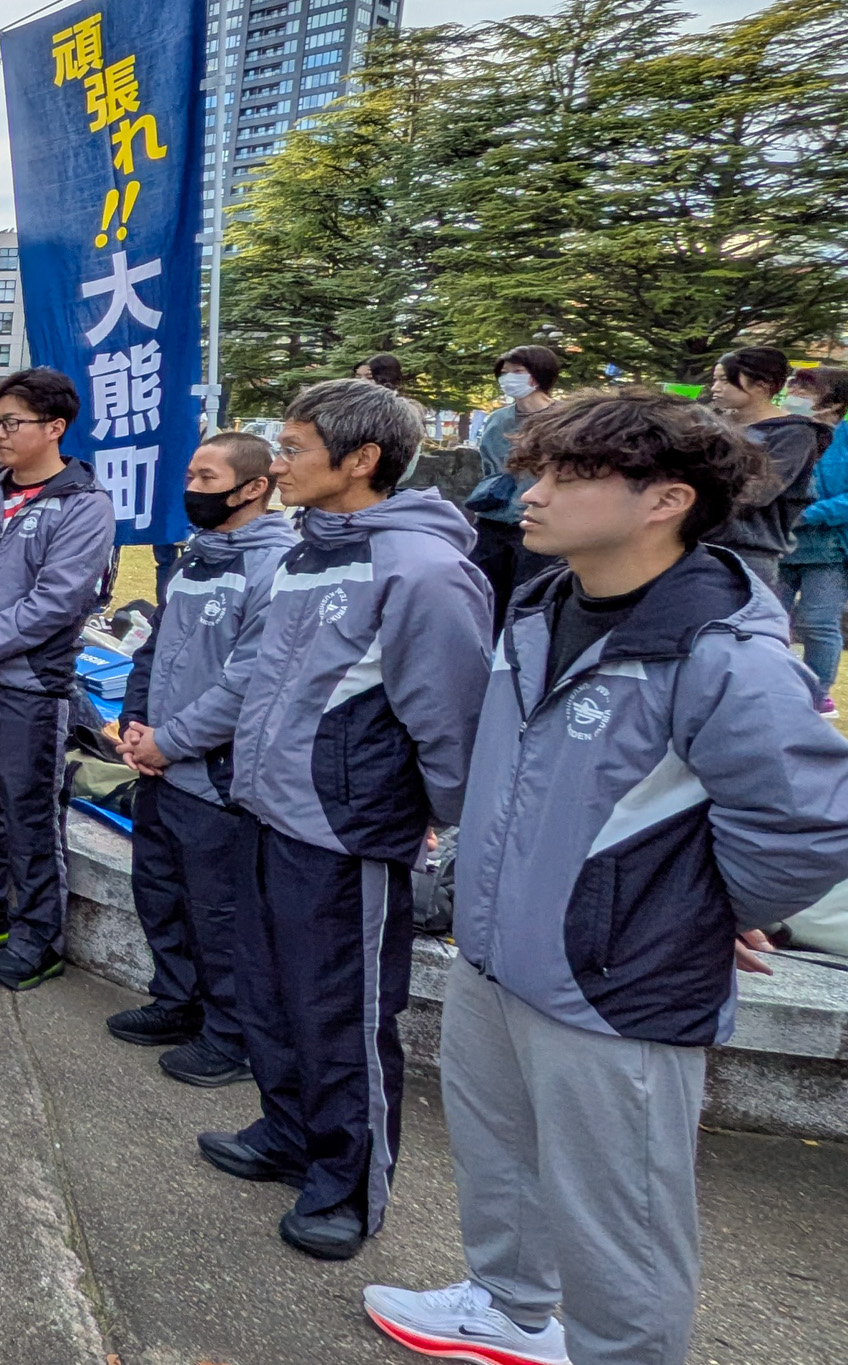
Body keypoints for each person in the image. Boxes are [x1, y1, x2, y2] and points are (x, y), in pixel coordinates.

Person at [362, 388, 848, 1365]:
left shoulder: (722, 652)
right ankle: (508, 1310)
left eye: (566, 476)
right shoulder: (543, 605)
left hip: (616, 986)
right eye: (536, 471)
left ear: (665, 501)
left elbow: (806, 823)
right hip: (497, 950)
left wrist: (692, 906)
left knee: (619, 1221)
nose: (530, 494)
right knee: (501, 1155)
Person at [199, 378, 492, 1262]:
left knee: (342, 1015)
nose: (278, 463)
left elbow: (450, 719)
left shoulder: (422, 570)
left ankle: (347, 1184)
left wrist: (439, 822)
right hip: (267, 809)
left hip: (343, 830)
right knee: (270, 993)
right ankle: (287, 1131)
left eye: (293, 449)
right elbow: (259, 677)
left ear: (361, 459)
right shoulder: (306, 553)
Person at [110, 432, 296, 1087]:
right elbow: (152, 649)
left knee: (220, 915)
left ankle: (231, 1036)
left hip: (215, 779)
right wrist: (136, 725)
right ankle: (176, 1002)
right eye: (190, 474)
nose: (191, 487)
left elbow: (247, 684)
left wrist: (170, 741)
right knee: (160, 894)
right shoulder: (194, 559)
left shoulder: (275, 568)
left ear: (253, 488)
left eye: (206, 477)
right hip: (160, 765)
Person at [0, 368, 117, 989]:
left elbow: (57, 602)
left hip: (27, 686)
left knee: (29, 813)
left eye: (12, 422)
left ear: (55, 428)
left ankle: (38, 936)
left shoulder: (83, 505)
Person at [709, 346, 827, 587]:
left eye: (725, 380)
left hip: (747, 553)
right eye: (714, 380)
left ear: (762, 385)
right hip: (694, 544)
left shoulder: (794, 432)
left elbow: (757, 492)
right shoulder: (710, 425)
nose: (715, 388)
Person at [469, 345, 562, 635]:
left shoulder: (565, 418)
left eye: (517, 372)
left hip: (540, 520)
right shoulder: (499, 419)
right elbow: (489, 466)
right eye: (504, 372)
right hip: (494, 519)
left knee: (529, 599)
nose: (508, 378)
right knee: (483, 596)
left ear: (539, 375)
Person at [779, 365, 848, 712]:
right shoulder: (783, 431)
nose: (792, 395)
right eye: (791, 387)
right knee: (771, 621)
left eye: (803, 390)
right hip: (777, 543)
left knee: (818, 622)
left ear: (834, 404)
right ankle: (772, 685)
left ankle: (818, 693)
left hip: (830, 549)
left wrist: (810, 514)